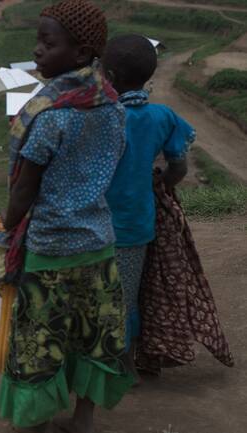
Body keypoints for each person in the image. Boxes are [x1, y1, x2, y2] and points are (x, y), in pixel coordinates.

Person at [0, 2, 133, 432]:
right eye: (38, 40)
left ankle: (36, 421)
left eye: (48, 43)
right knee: (95, 335)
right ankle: (83, 420)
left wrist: (6, 225)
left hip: (49, 250)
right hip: (99, 245)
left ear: (81, 53)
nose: (37, 50)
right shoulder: (113, 108)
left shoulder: (50, 117)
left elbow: (25, 188)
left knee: (39, 340)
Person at [101, 34, 193, 383]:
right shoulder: (162, 116)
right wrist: (160, 183)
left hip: (95, 225)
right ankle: (129, 360)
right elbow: (179, 168)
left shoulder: (102, 117)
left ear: (109, 76)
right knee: (129, 295)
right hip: (137, 223)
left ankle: (115, 367)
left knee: (104, 297)